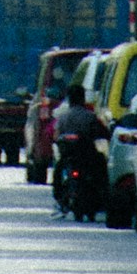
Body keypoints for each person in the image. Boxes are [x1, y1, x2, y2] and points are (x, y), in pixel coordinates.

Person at [51, 80, 105, 219]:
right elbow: (102, 132)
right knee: (101, 163)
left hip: (67, 156)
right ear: (83, 98)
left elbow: (56, 136)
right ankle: (103, 195)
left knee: (58, 169)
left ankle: (58, 197)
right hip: (87, 156)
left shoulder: (63, 117)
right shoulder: (90, 116)